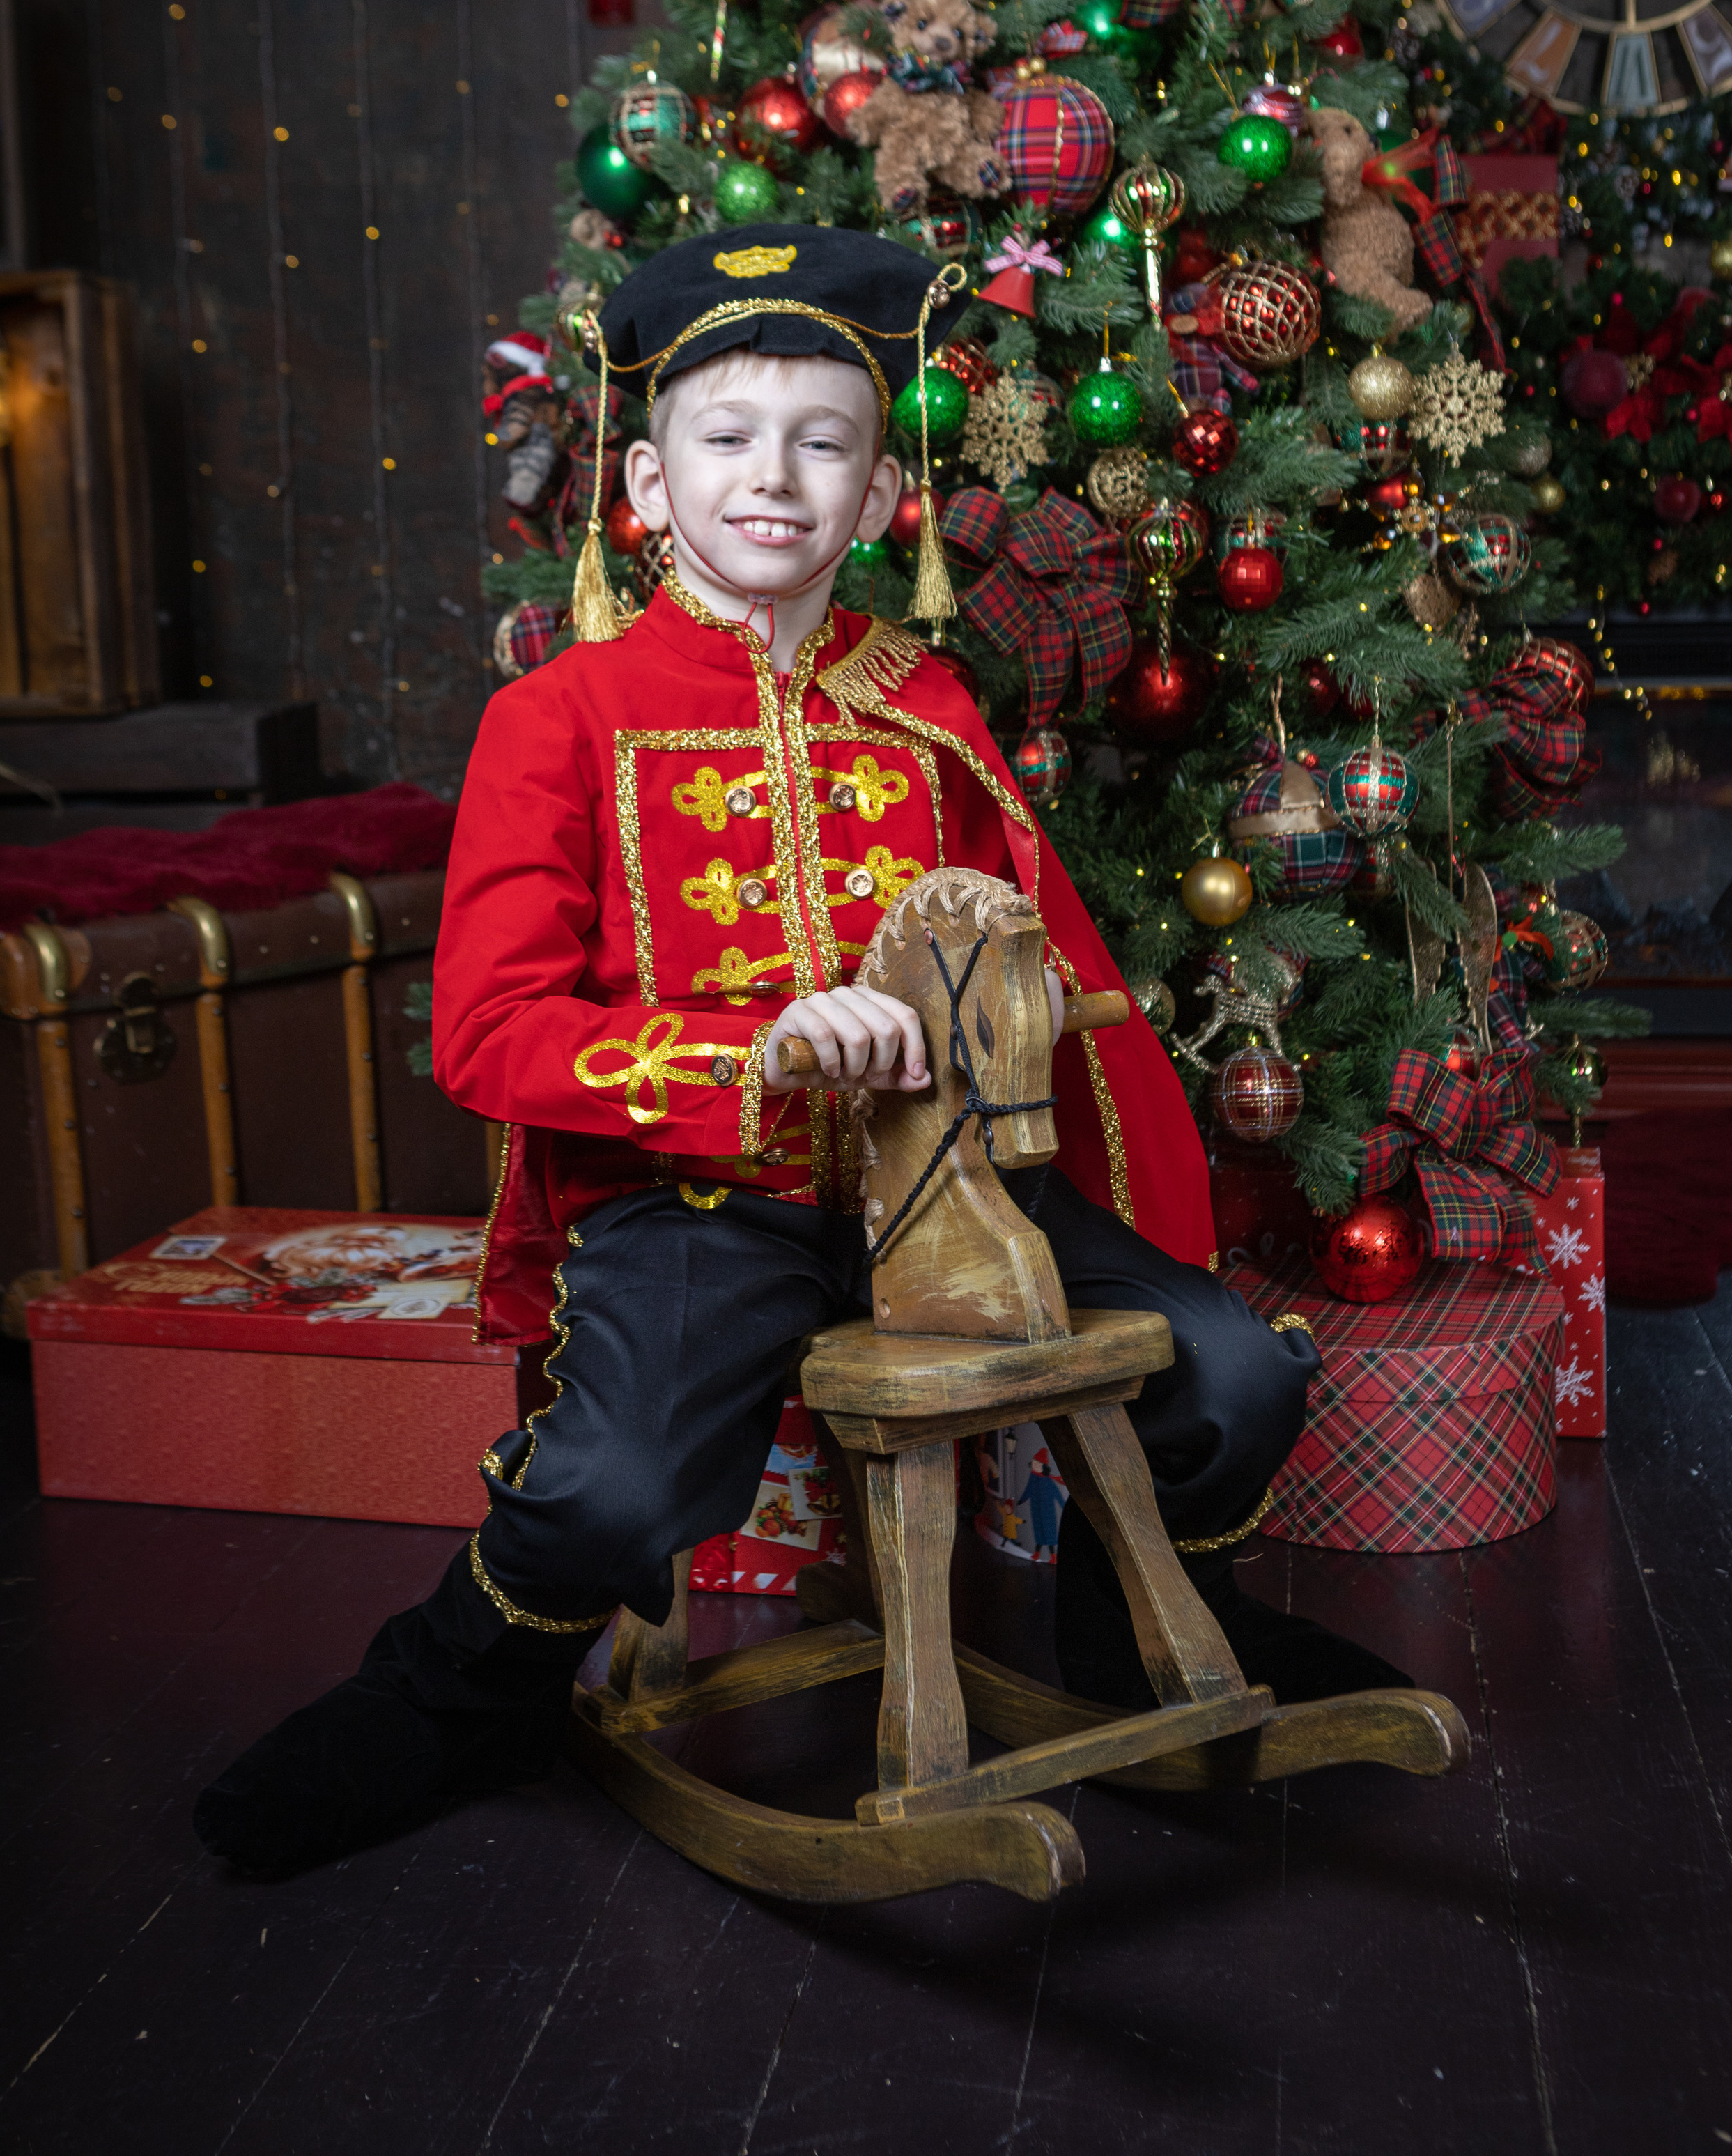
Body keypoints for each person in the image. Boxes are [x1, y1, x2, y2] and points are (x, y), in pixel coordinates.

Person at [194, 225, 1407, 1875]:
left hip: (951, 1187)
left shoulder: (927, 701)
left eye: (823, 443)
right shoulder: (557, 719)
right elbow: (487, 1034)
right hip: (700, 1203)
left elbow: (1042, 958)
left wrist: (1000, 1010)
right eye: (726, 439)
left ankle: (1139, 1632)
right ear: (644, 479)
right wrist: (748, 1057)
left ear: (881, 496)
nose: (774, 479)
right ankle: (460, 1694)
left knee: (1239, 1371)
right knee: (614, 1493)